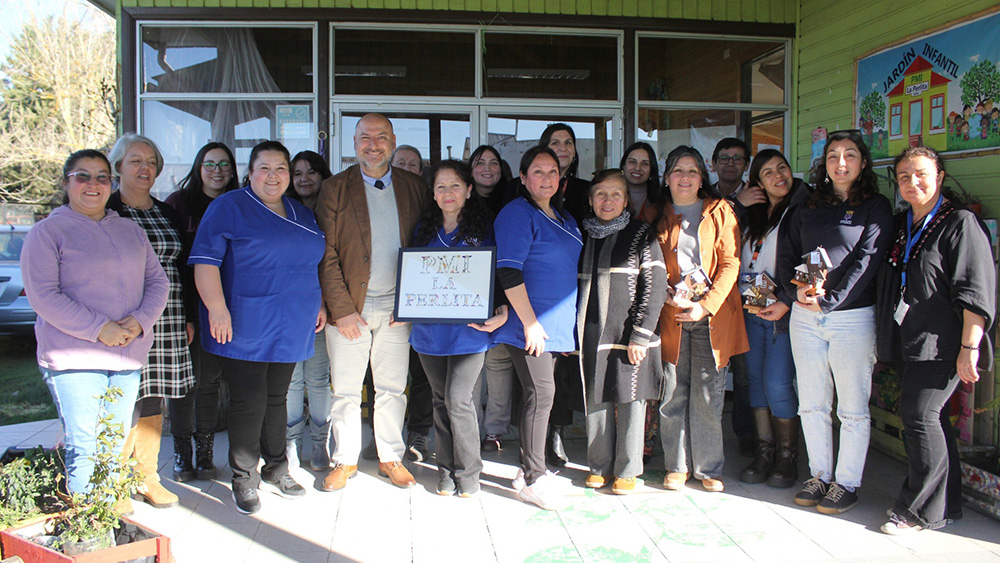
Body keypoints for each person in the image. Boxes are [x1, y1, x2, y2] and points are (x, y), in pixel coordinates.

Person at [190, 140, 326, 515]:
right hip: (245, 321)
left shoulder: (302, 213)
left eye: (280, 168)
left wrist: (320, 304)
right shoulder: (228, 207)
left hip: (293, 320)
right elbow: (205, 263)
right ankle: (244, 478)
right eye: (264, 168)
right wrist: (217, 309)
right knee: (248, 401)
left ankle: (276, 468)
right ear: (249, 173)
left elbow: (311, 264)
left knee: (277, 398)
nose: (273, 176)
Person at [21, 150, 168, 496]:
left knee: (113, 447)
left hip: (126, 356)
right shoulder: (47, 232)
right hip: (76, 360)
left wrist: (139, 321)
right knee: (85, 448)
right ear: (65, 182)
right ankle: (88, 532)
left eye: (102, 177)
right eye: (82, 176)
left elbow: (158, 282)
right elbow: (43, 295)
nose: (93, 184)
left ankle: (104, 519)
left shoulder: (130, 230)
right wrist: (100, 328)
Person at [875, 146, 995, 534]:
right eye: (905, 176)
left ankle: (918, 511)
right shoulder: (902, 223)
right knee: (935, 419)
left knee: (920, 416)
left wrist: (969, 348)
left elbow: (975, 291)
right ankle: (950, 503)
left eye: (922, 173)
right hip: (910, 338)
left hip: (944, 343)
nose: (913, 182)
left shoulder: (959, 222)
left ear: (939, 176)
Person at [779, 129, 893, 514]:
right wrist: (795, 294)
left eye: (850, 155)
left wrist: (829, 300)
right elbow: (787, 252)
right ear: (824, 164)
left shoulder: (875, 206)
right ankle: (820, 476)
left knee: (852, 406)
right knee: (811, 402)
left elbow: (868, 261)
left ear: (862, 164)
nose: (840, 162)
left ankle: (846, 482)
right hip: (804, 315)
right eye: (832, 156)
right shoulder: (807, 206)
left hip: (851, 318)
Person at [316, 113, 428, 492]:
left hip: (399, 309)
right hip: (351, 309)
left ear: (393, 143)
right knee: (346, 389)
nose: (373, 144)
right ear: (354, 143)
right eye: (366, 137)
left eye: (381, 137)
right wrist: (341, 309)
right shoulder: (335, 188)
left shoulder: (415, 186)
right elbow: (326, 252)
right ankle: (345, 460)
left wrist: (412, 302)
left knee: (393, 388)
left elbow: (424, 245)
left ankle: (390, 457)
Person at [410, 160, 508, 497]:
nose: (447, 193)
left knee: (458, 399)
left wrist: (502, 307)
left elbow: (498, 274)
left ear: (468, 190)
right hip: (429, 331)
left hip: (470, 329)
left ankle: (469, 472)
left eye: (455, 185)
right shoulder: (422, 231)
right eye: (440, 186)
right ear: (433, 194)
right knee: (440, 400)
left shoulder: (485, 228)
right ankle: (446, 470)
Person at [107, 133, 194, 510]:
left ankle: (146, 477)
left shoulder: (168, 212)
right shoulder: (106, 211)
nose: (145, 169)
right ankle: (111, 481)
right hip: (124, 317)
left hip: (170, 314)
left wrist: (190, 315)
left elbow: (184, 267)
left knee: (154, 394)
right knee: (123, 395)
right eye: (135, 161)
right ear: (118, 167)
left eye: (151, 162)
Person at [493, 145, 583, 509]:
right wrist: (530, 323)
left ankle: (526, 469)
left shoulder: (563, 216)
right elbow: (509, 270)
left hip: (555, 325)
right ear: (523, 177)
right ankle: (533, 477)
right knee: (540, 395)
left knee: (541, 396)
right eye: (538, 172)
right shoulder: (517, 214)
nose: (547, 178)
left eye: (553, 172)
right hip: (529, 325)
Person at [653, 145, 747, 494]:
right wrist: (664, 293)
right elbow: (652, 265)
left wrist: (705, 305)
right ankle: (676, 465)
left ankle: (708, 466)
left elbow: (730, 263)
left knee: (709, 396)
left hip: (711, 317)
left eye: (693, 171)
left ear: (701, 177)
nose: (685, 177)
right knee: (673, 392)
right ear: (666, 177)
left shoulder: (720, 211)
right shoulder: (657, 215)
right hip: (672, 315)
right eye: (678, 170)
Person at [577, 169, 667, 495]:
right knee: (597, 396)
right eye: (601, 193)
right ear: (590, 200)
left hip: (629, 333)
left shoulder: (643, 234)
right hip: (591, 331)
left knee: (631, 398)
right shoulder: (581, 234)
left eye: (616, 194)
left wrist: (641, 333)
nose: (608, 200)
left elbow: (655, 286)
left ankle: (628, 469)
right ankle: (599, 464)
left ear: (626, 200)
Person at [164, 141, 239, 483]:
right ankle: (182, 453)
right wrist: (182, 314)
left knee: (209, 381)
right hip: (185, 305)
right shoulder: (179, 205)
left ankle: (206, 452)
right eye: (210, 164)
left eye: (224, 164)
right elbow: (170, 260)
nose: (217, 171)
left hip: (226, 305)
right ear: (198, 168)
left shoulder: (240, 203)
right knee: (184, 384)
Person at [735, 150, 809, 488]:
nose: (778, 176)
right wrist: (739, 203)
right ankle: (764, 451)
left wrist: (787, 300)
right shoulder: (754, 214)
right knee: (754, 380)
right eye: (767, 173)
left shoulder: (804, 209)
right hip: (752, 309)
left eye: (782, 168)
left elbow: (812, 260)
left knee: (778, 382)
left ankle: (786, 455)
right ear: (758, 183)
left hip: (782, 312)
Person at [538, 123, 590, 466]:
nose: (562, 147)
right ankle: (540, 435)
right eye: (554, 142)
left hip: (579, 285)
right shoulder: (525, 190)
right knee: (543, 369)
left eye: (568, 142)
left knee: (567, 368)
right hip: (542, 291)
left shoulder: (587, 190)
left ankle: (557, 431)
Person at [283, 150, 335, 471]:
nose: (304, 178)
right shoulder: (281, 209)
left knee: (317, 379)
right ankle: (290, 443)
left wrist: (325, 304)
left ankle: (320, 444)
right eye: (297, 172)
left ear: (322, 175)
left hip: (321, 308)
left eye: (311, 172)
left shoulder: (332, 211)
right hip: (287, 308)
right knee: (291, 381)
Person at [710, 137, 760, 459]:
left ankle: (745, 433)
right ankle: (705, 437)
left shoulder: (757, 196)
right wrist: (736, 204)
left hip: (748, 293)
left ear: (746, 164)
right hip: (709, 294)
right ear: (713, 163)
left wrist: (743, 203)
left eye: (737, 159)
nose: (730, 163)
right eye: (724, 158)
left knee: (744, 372)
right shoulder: (702, 195)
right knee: (710, 371)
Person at [388, 145, 434, 464]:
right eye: (400, 162)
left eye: (412, 164)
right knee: (387, 376)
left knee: (420, 373)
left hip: (421, 302)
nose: (405, 167)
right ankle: (386, 437)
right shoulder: (377, 197)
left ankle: (418, 433)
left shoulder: (429, 205)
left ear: (421, 171)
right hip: (382, 301)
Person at [467, 144, 515, 452]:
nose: (487, 168)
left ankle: (494, 430)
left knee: (499, 366)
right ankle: (469, 426)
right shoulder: (461, 204)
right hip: (468, 297)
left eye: (493, 163)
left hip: (504, 295)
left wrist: (505, 302)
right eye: (480, 163)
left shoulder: (512, 204)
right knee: (470, 367)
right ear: (469, 171)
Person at [620, 142, 661, 217]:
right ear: (623, 165)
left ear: (652, 169)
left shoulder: (661, 201)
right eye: (632, 162)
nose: (637, 168)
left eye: (645, 163)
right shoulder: (610, 197)